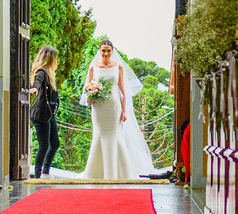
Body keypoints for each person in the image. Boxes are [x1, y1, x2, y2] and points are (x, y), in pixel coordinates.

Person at [80, 39, 158, 180]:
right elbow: (87, 87)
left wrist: (124, 111)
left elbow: (123, 91)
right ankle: (95, 173)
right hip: (98, 108)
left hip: (113, 106)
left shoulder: (118, 67)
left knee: (115, 135)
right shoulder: (93, 67)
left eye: (108, 51)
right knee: (98, 134)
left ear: (112, 51)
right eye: (103, 50)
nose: (106, 53)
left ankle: (118, 173)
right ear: (99, 51)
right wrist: (91, 95)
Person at [29, 45, 61, 179]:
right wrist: (34, 88)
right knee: (44, 145)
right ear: (49, 58)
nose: (56, 61)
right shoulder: (42, 72)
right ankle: (37, 175)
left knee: (55, 143)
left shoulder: (50, 73)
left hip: (49, 114)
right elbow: (38, 81)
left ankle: (45, 172)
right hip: (41, 114)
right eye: (55, 58)